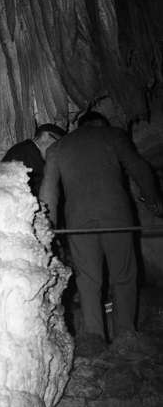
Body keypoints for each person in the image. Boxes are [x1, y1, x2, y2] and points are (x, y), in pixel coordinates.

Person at [39, 111, 162, 355]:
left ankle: (94, 338)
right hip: (116, 217)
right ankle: (125, 336)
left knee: (88, 280)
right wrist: (154, 201)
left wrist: (47, 226)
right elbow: (139, 168)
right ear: (100, 123)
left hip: (78, 221)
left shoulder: (59, 148)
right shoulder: (113, 136)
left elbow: (49, 190)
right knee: (123, 276)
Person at [1, 123, 66, 196]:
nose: (59, 150)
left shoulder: (29, 152)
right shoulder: (24, 153)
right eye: (58, 143)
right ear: (44, 136)